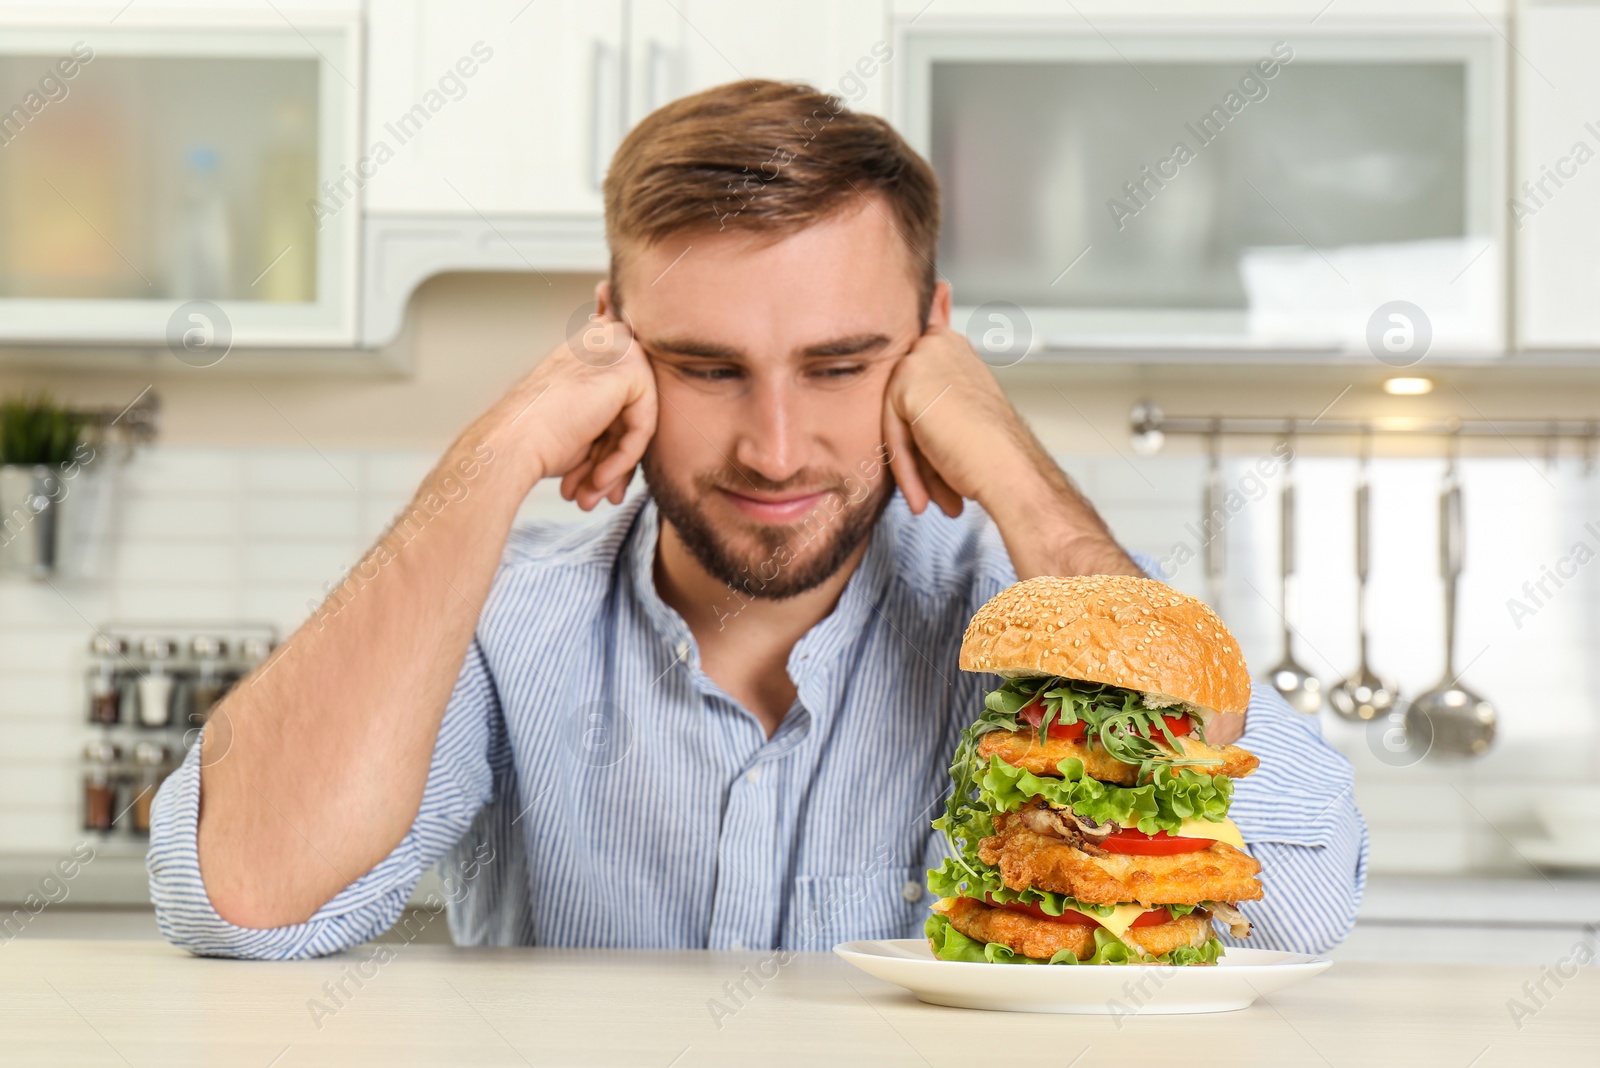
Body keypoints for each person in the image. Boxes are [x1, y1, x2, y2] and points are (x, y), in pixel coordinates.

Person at [148, 80, 1366, 958]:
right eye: (706, 367)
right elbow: (251, 898)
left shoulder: (1030, 612)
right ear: (609, 339)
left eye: (840, 366)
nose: (774, 450)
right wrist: (498, 451)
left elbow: (1301, 902)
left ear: (931, 338)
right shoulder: (499, 619)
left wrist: (1010, 464)